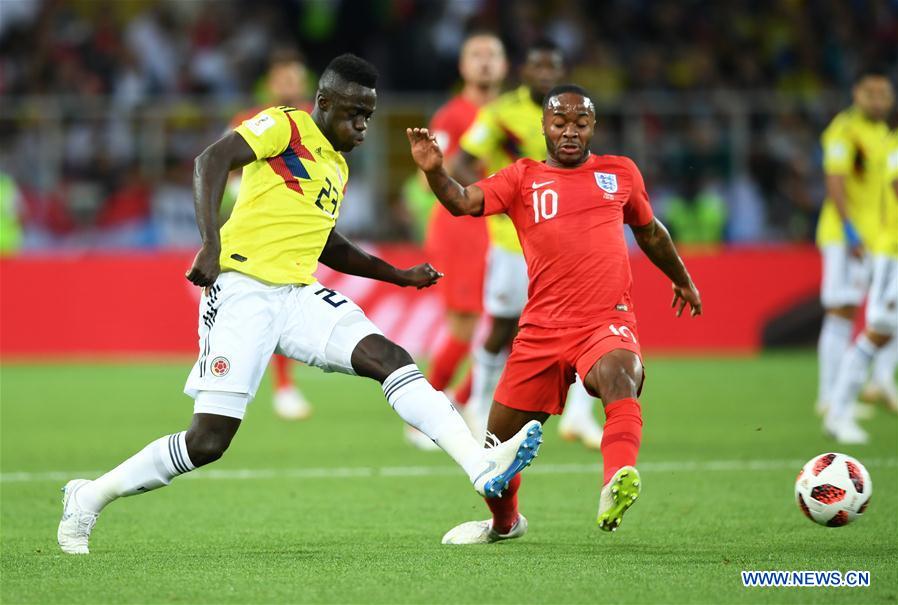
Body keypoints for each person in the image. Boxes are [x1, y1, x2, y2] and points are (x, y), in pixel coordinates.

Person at [57, 54, 544, 555]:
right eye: (354, 113)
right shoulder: (284, 126)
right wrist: (210, 243)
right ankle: (88, 496)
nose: (363, 125)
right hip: (242, 289)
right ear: (324, 102)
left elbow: (326, 242)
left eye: (369, 115)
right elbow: (211, 160)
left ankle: (479, 465)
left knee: (391, 358)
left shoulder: (336, 165)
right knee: (207, 442)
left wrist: (396, 274)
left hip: (297, 293)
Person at [407, 84, 702, 544]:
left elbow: (650, 232)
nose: (569, 132)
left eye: (580, 124)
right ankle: (505, 523)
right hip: (541, 330)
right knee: (495, 454)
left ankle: (616, 478)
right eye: (560, 123)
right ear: (543, 126)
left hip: (603, 320)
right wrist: (435, 171)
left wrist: (681, 278)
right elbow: (462, 201)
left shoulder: (620, 172)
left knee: (621, 373)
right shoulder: (521, 178)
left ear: (593, 127)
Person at [454, 38, 605, 449]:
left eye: (552, 67)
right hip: (513, 240)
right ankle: (478, 404)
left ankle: (579, 415)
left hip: (566, 243)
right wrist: (498, 197)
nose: (545, 74)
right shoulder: (499, 113)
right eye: (537, 66)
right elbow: (461, 161)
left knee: (584, 324)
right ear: (524, 71)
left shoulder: (570, 114)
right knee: (504, 326)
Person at [405, 31, 508, 450]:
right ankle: (424, 416)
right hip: (462, 227)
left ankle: (464, 402)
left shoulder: (512, 114)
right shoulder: (452, 116)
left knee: (511, 322)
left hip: (504, 229)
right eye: (476, 55)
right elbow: (426, 176)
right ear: (463, 66)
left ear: (504, 65)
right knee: (465, 324)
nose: (485, 62)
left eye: (492, 54)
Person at [225, 48, 314, 421]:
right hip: (255, 231)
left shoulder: (316, 120)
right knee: (257, 311)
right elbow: (222, 166)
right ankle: (270, 386)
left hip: (300, 231)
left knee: (278, 308)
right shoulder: (249, 120)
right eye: (283, 77)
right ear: (271, 82)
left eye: (295, 77)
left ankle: (280, 386)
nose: (289, 83)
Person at [815, 70, 895, 439]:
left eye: (884, 94)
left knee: (872, 313)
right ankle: (829, 397)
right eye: (871, 93)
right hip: (846, 236)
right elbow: (836, 179)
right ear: (856, 93)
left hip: (877, 239)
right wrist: (849, 229)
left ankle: (867, 385)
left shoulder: (883, 133)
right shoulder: (844, 130)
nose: (878, 101)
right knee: (842, 310)